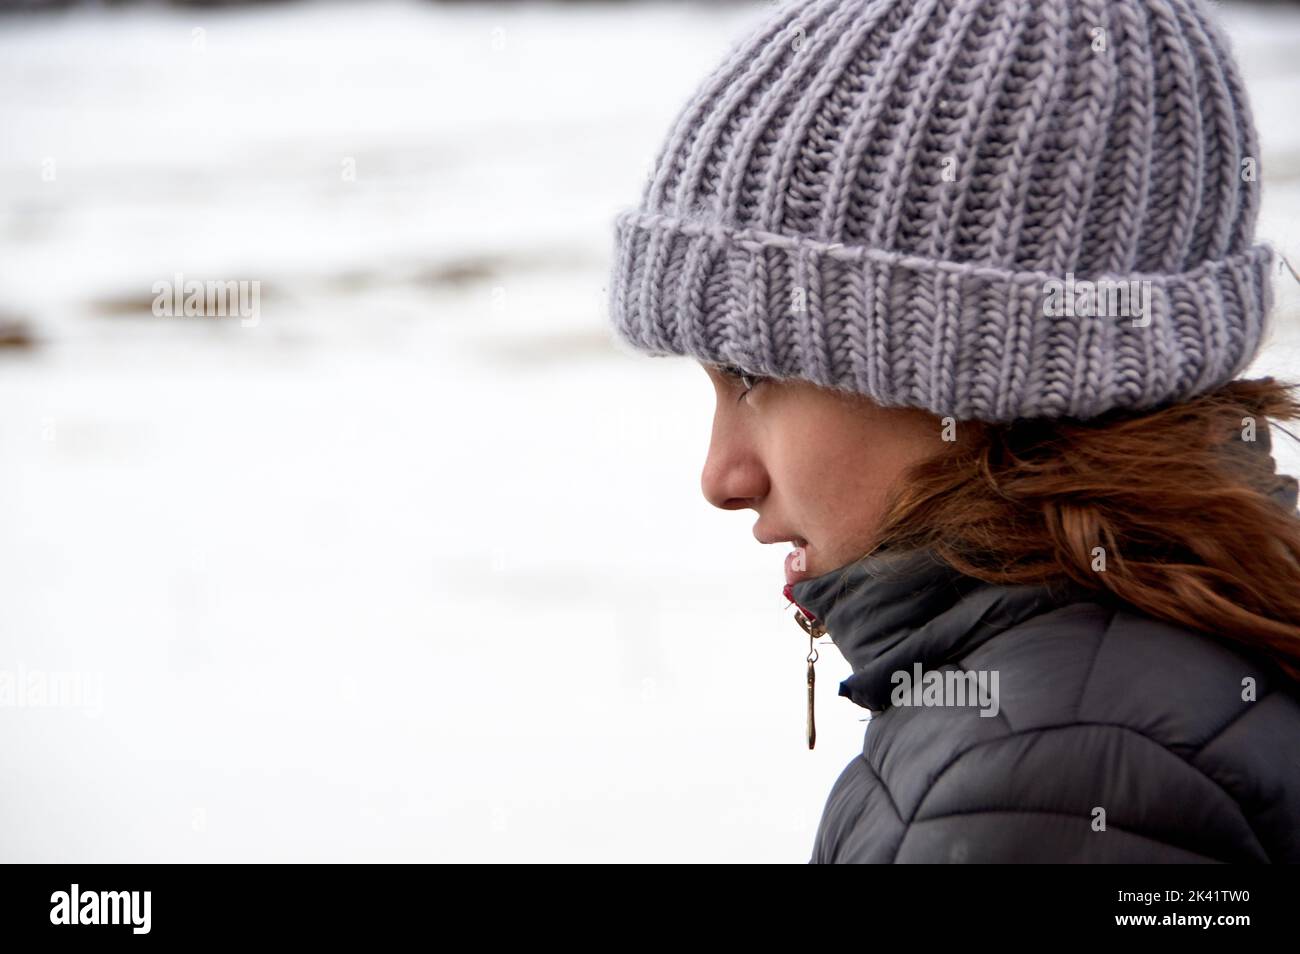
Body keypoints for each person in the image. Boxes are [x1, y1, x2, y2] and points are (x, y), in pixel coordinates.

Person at [605, 0, 1300, 862]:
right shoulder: (1160, 673)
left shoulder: (1057, 779)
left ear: (972, 376)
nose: (722, 476)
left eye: (751, 378)